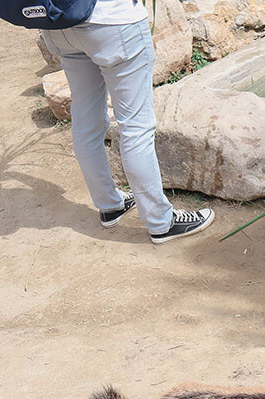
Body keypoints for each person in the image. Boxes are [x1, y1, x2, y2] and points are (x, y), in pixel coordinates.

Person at [41, 0, 214, 244]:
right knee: (136, 127)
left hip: (60, 25)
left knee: (86, 121)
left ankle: (110, 205)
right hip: (112, 21)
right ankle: (161, 222)